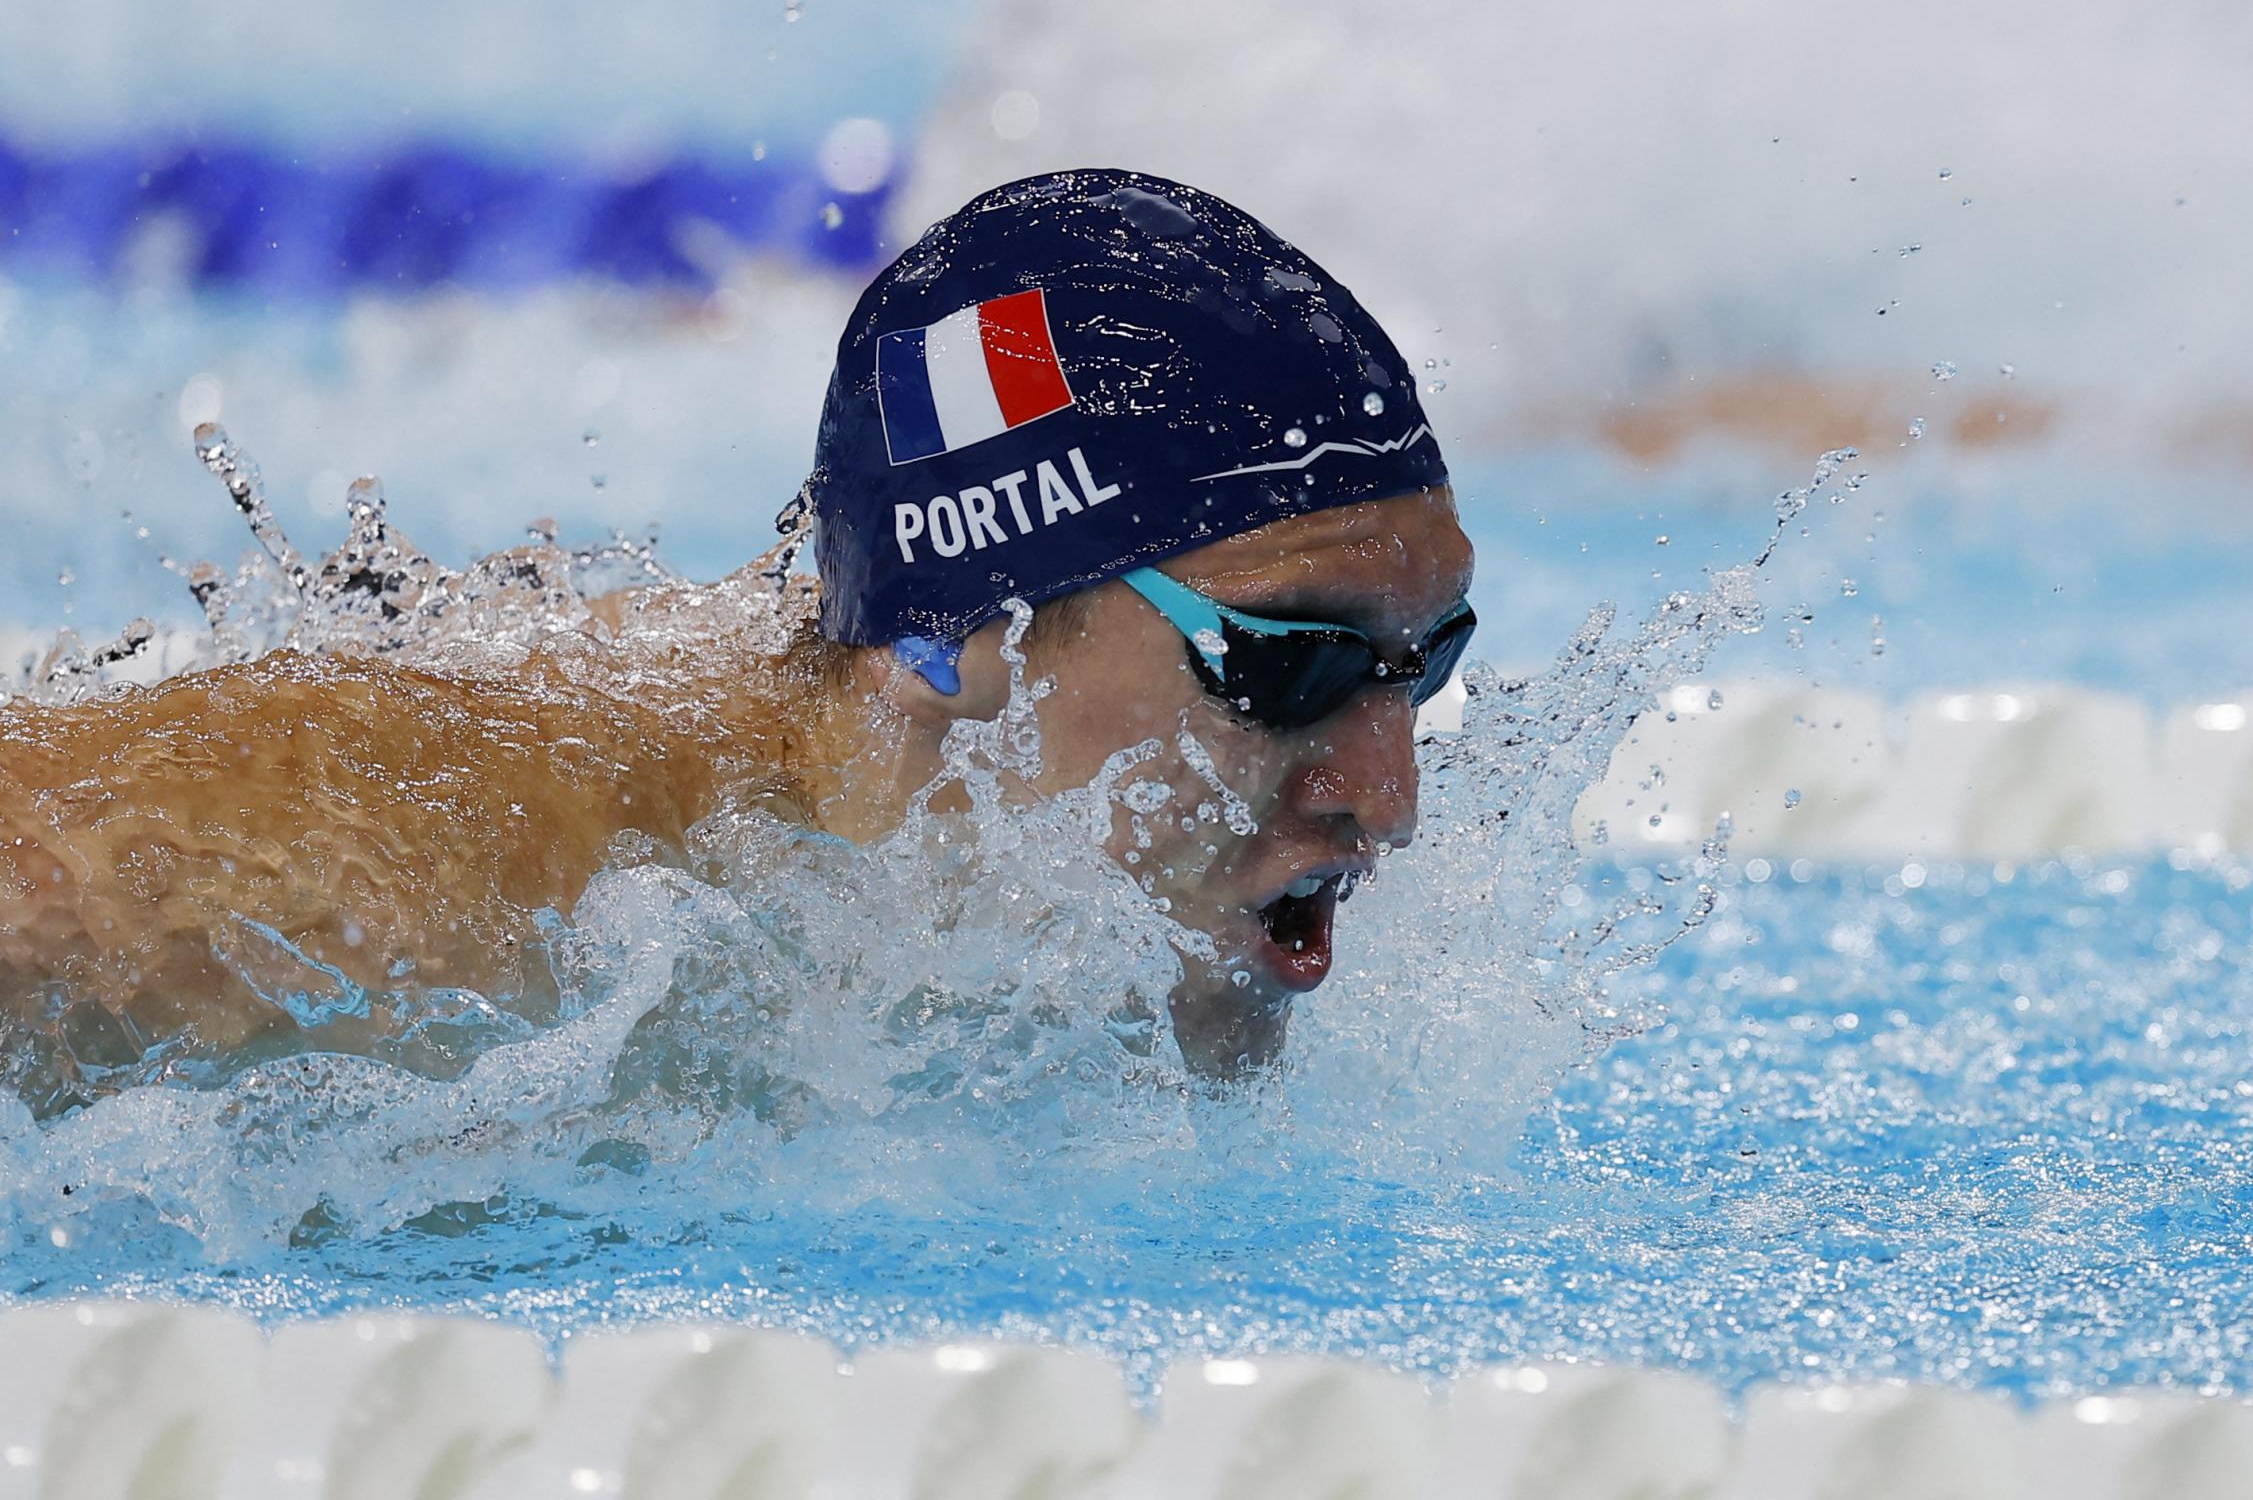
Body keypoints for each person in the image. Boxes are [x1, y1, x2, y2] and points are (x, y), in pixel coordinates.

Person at [0, 169, 1474, 1102]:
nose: (1385, 798)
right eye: (1292, 666)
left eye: (1423, 663)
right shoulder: (449, 901)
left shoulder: (917, 925)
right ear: (960, 632)